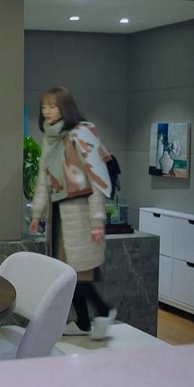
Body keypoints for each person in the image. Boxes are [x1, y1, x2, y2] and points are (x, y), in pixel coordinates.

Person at [27, 86, 117, 340]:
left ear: (65, 108)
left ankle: (104, 310)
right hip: (58, 212)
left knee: (79, 272)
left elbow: (97, 179)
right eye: (44, 106)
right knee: (68, 272)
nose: (46, 111)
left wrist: (97, 220)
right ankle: (83, 322)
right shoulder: (50, 138)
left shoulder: (82, 134)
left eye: (52, 106)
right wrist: (37, 213)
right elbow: (44, 178)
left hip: (80, 211)